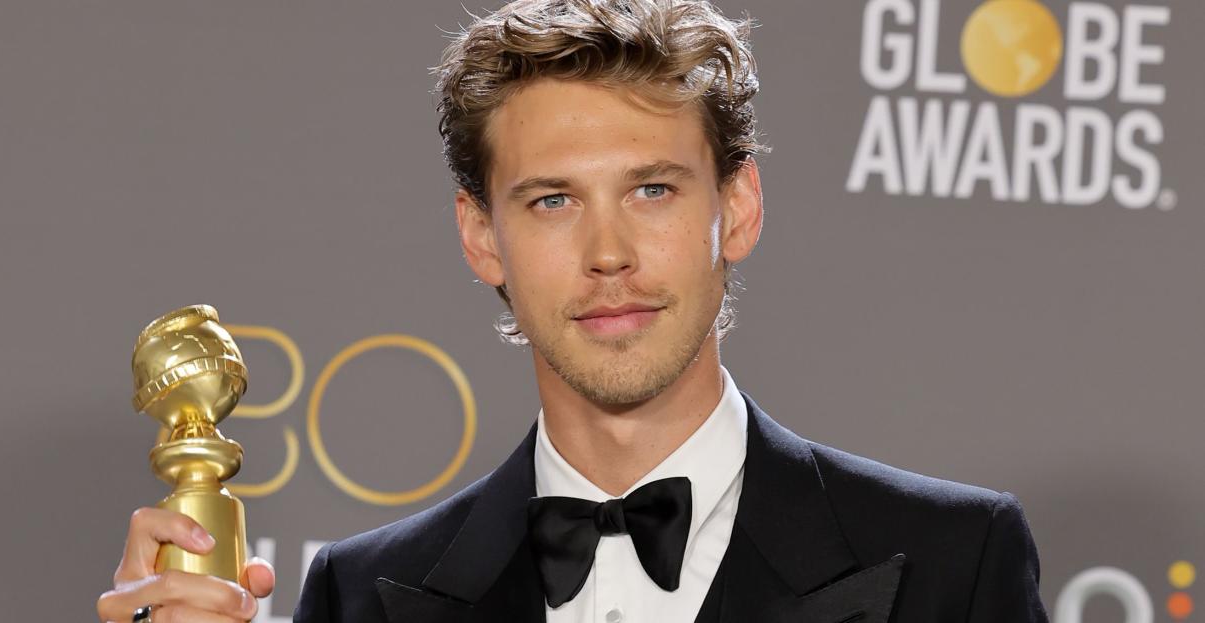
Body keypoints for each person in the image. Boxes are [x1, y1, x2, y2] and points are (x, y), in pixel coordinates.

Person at [96, 1, 1051, 622]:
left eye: (653, 190)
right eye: (552, 200)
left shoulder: (949, 563)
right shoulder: (362, 598)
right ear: (481, 236)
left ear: (740, 208)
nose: (608, 254)